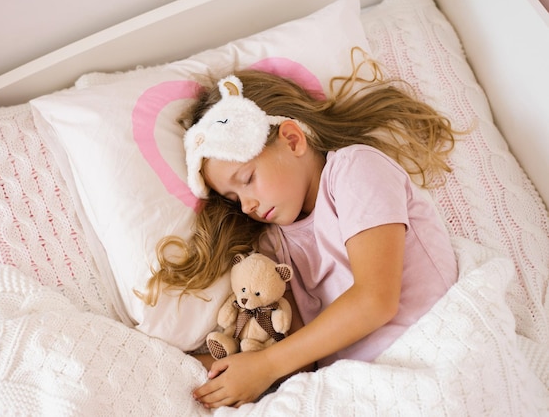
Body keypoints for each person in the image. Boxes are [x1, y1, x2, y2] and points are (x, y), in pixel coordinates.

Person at [146, 50, 459, 409]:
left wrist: (266, 365)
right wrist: (203, 373)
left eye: (247, 179)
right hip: (356, 387)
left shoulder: (356, 170)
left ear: (293, 140)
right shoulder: (275, 246)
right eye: (233, 198)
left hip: (427, 353)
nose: (246, 205)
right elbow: (301, 356)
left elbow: (376, 300)